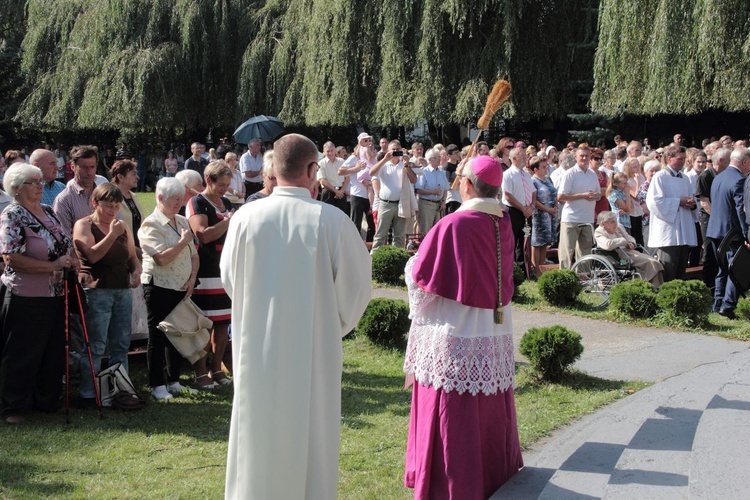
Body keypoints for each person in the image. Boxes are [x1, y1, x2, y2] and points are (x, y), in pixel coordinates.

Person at [220, 133, 371, 499]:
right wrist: (327, 325)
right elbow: (356, 292)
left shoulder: (245, 218)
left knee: (258, 433)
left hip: (256, 347)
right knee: (312, 438)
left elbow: (230, 279)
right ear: (311, 170)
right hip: (314, 353)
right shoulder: (332, 222)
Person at [403, 155, 523, 498]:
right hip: (492, 325)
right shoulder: (502, 220)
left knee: (452, 412)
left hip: (457, 330)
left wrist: (414, 259)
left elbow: (422, 278)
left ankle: (448, 483)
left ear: (467, 185)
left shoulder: (455, 224)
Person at [0, 164, 78, 424]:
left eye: (40, 181)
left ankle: (46, 402)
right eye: (33, 182)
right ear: (17, 188)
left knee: (52, 349)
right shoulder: (12, 215)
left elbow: (65, 242)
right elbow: (11, 257)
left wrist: (72, 260)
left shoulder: (47, 211)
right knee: (22, 352)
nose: (40, 185)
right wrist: (51, 266)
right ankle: (14, 407)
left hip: (56, 293)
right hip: (25, 294)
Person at [73, 183, 141, 406]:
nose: (113, 211)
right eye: (108, 206)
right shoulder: (84, 225)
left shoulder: (122, 227)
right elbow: (92, 256)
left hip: (122, 289)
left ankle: (121, 391)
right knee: (95, 344)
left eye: (116, 206)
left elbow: (131, 255)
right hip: (96, 290)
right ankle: (89, 393)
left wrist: (136, 270)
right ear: (94, 203)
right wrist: (112, 234)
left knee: (121, 344)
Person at [139, 178, 206, 400]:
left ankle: (175, 382)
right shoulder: (151, 224)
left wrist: (192, 278)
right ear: (160, 198)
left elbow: (194, 255)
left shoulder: (181, 221)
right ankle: (157, 385)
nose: (179, 203)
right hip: (159, 286)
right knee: (158, 336)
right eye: (174, 200)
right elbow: (160, 259)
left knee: (177, 334)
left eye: (181, 199)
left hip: (181, 286)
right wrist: (181, 243)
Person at [187, 161, 234, 387]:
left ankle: (217, 369)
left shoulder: (226, 202)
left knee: (224, 322)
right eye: (221, 184)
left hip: (226, 267)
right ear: (208, 180)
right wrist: (228, 221)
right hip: (206, 267)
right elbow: (203, 235)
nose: (224, 189)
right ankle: (200, 372)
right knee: (205, 322)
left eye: (227, 184)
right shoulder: (196, 202)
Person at [706, 148, 750, 319]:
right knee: (736, 268)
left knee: (722, 268)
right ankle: (727, 306)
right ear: (744, 161)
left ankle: (718, 303)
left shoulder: (719, 177)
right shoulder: (740, 180)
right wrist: (746, 235)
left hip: (715, 229)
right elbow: (740, 210)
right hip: (731, 232)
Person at [646, 145, 698, 282]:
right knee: (668, 268)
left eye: (684, 159)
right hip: (668, 230)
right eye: (680, 159)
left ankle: (679, 298)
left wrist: (692, 204)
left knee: (681, 269)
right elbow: (654, 202)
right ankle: (666, 297)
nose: (683, 162)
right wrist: (678, 202)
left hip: (683, 229)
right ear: (670, 158)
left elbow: (692, 197)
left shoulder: (685, 178)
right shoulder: (660, 177)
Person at [557, 146, 600, 268]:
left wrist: (597, 195)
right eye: (582, 156)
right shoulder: (570, 174)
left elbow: (599, 193)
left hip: (587, 219)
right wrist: (583, 196)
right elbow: (560, 197)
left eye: (587, 156)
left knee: (585, 253)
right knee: (567, 252)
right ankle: (564, 279)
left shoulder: (592, 174)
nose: (584, 158)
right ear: (576, 157)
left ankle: (583, 280)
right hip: (571, 219)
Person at [595, 211, 664, 288]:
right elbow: (608, 245)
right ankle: (654, 287)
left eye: (615, 221)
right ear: (603, 224)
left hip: (629, 252)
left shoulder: (619, 227)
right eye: (612, 222)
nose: (615, 223)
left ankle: (657, 286)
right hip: (619, 257)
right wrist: (623, 241)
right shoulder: (599, 232)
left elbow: (629, 237)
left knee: (654, 262)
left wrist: (632, 243)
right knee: (650, 262)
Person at [370, 140, 417, 251]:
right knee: (380, 234)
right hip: (385, 203)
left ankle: (397, 259)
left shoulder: (403, 165)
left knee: (399, 236)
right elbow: (372, 173)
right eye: (393, 149)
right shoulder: (384, 164)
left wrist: (407, 166)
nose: (395, 151)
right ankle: (375, 258)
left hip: (400, 203)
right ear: (388, 150)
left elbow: (414, 180)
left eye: (397, 149)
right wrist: (385, 159)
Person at [502, 147, 536, 272]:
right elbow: (507, 195)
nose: (526, 157)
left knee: (525, 240)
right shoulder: (507, 174)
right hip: (513, 211)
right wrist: (523, 208)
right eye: (522, 155)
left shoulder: (526, 175)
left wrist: (531, 207)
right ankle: (511, 270)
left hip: (527, 212)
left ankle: (524, 269)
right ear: (514, 158)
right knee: (512, 241)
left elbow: (533, 192)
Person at [530, 156, 557, 277]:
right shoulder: (533, 181)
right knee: (537, 243)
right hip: (539, 215)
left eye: (546, 167)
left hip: (550, 215)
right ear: (535, 169)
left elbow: (554, 193)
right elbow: (533, 201)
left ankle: (542, 266)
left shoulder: (548, 179)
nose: (546, 169)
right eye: (543, 167)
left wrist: (555, 207)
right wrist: (547, 209)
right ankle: (535, 269)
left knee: (545, 243)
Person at [415, 148, 449, 235]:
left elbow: (445, 189)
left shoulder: (442, 172)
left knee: (437, 231)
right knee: (425, 231)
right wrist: (433, 192)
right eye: (437, 157)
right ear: (430, 160)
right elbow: (418, 190)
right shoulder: (424, 171)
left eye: (439, 157)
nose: (440, 159)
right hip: (426, 204)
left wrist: (443, 202)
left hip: (439, 205)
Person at [317, 141, 348, 212]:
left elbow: (347, 178)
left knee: (341, 215)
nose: (330, 153)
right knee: (328, 216)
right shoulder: (321, 163)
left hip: (341, 191)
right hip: (328, 192)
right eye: (328, 151)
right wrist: (336, 191)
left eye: (332, 150)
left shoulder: (341, 161)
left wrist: (341, 191)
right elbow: (322, 180)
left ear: (335, 150)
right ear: (324, 152)